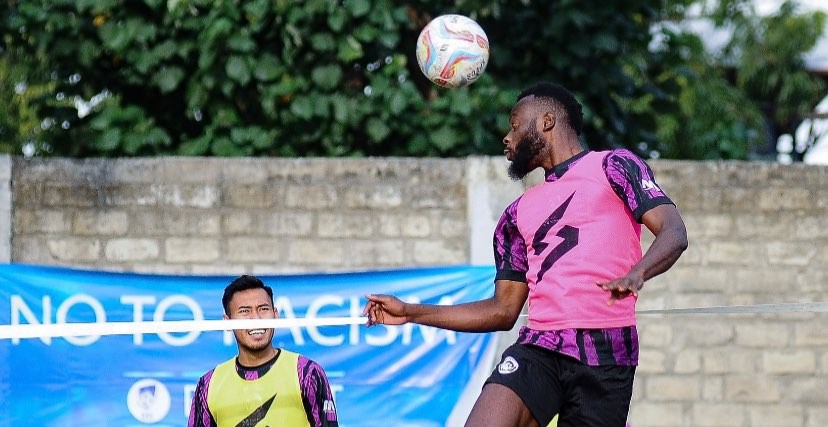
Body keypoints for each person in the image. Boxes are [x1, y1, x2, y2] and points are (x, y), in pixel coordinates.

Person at [363, 82, 688, 427]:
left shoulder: (614, 166)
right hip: (539, 347)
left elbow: (674, 232)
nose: (507, 137)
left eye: (515, 124)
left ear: (548, 121)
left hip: (606, 352)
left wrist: (638, 272)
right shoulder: (513, 217)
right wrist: (411, 311)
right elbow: (502, 311)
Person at [188, 275, 339, 427]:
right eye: (245, 311)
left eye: (263, 309)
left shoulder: (307, 373)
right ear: (227, 322)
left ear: (276, 315)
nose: (256, 318)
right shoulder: (208, 385)